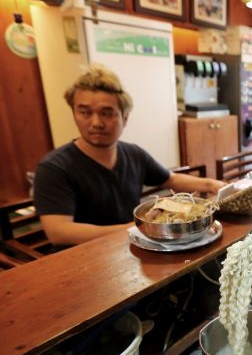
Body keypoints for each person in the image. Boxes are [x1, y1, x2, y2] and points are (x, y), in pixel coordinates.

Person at [34, 64, 225, 246]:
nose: (96, 122)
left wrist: (213, 185)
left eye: (107, 114)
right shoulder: (54, 167)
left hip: (128, 248)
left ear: (125, 118)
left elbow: (170, 179)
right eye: (85, 112)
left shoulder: (133, 154)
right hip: (82, 260)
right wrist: (139, 227)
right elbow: (59, 232)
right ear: (74, 114)